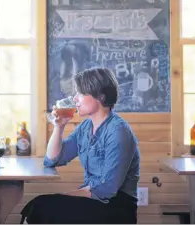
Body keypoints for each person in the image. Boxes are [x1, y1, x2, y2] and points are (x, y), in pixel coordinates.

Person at [21, 67, 140, 224]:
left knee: (41, 207)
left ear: (101, 97)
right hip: (94, 199)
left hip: (116, 207)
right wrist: (59, 127)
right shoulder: (85, 128)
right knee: (37, 207)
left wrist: (62, 197)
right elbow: (52, 160)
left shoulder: (118, 132)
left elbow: (106, 189)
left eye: (81, 93)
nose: (75, 98)